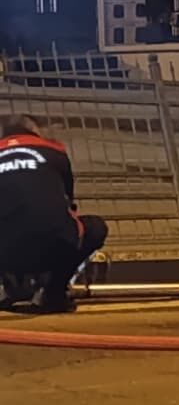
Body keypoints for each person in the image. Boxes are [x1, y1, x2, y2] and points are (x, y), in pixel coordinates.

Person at [0, 115, 108, 314]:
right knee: (94, 227)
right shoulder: (54, 150)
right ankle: (52, 292)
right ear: (34, 130)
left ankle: (10, 286)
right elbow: (67, 201)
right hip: (53, 247)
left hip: (5, 254)